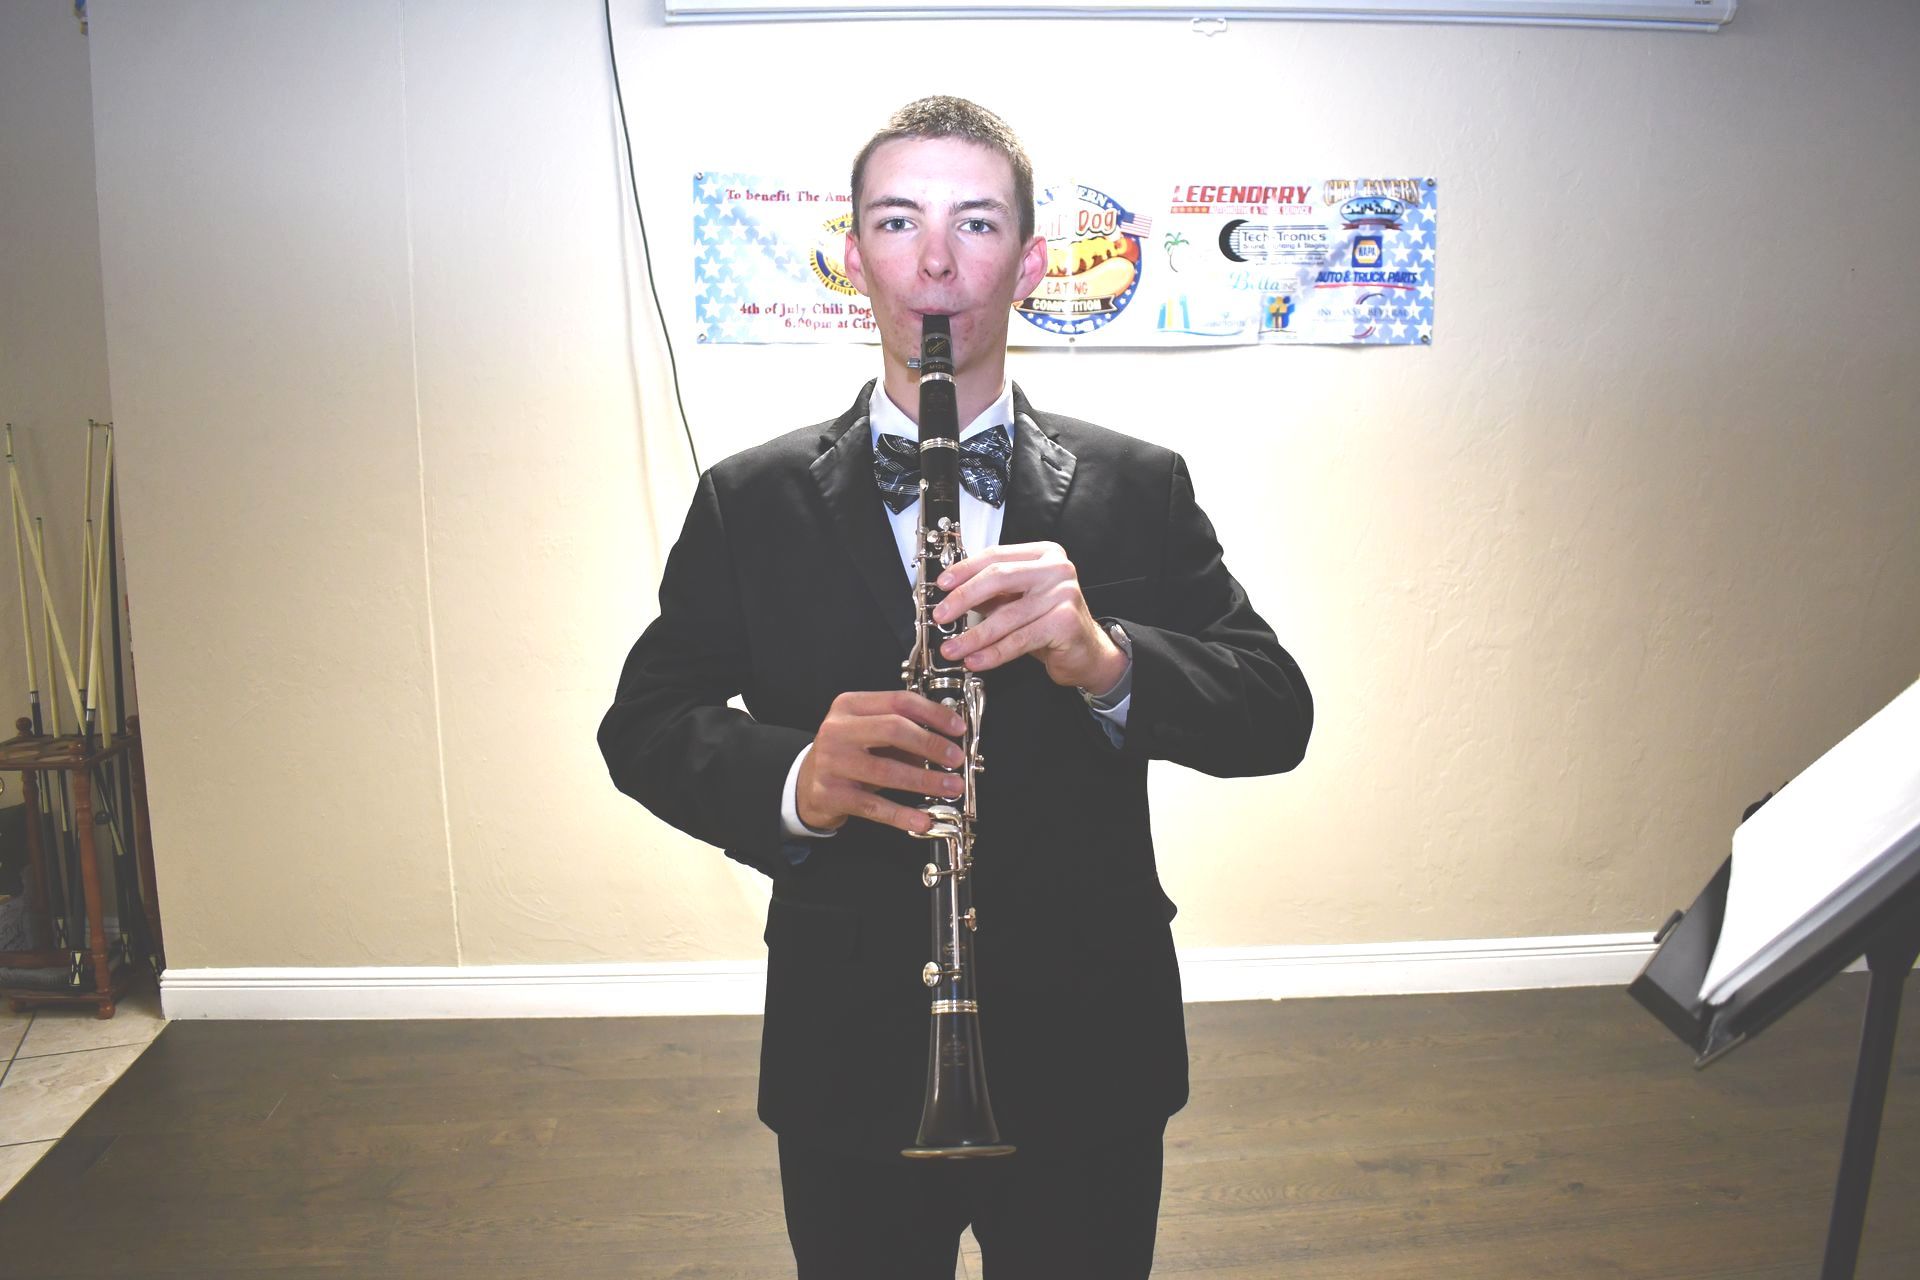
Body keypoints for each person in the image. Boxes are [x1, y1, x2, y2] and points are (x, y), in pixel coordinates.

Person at [599, 96, 1312, 1280]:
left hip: (1088, 1043)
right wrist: (797, 776)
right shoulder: (748, 499)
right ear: (855, 255)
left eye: (975, 223)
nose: (935, 260)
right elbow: (643, 724)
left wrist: (1108, 658)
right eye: (898, 221)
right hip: (850, 1051)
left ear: (1029, 263)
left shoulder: (1138, 484)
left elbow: (1275, 709)